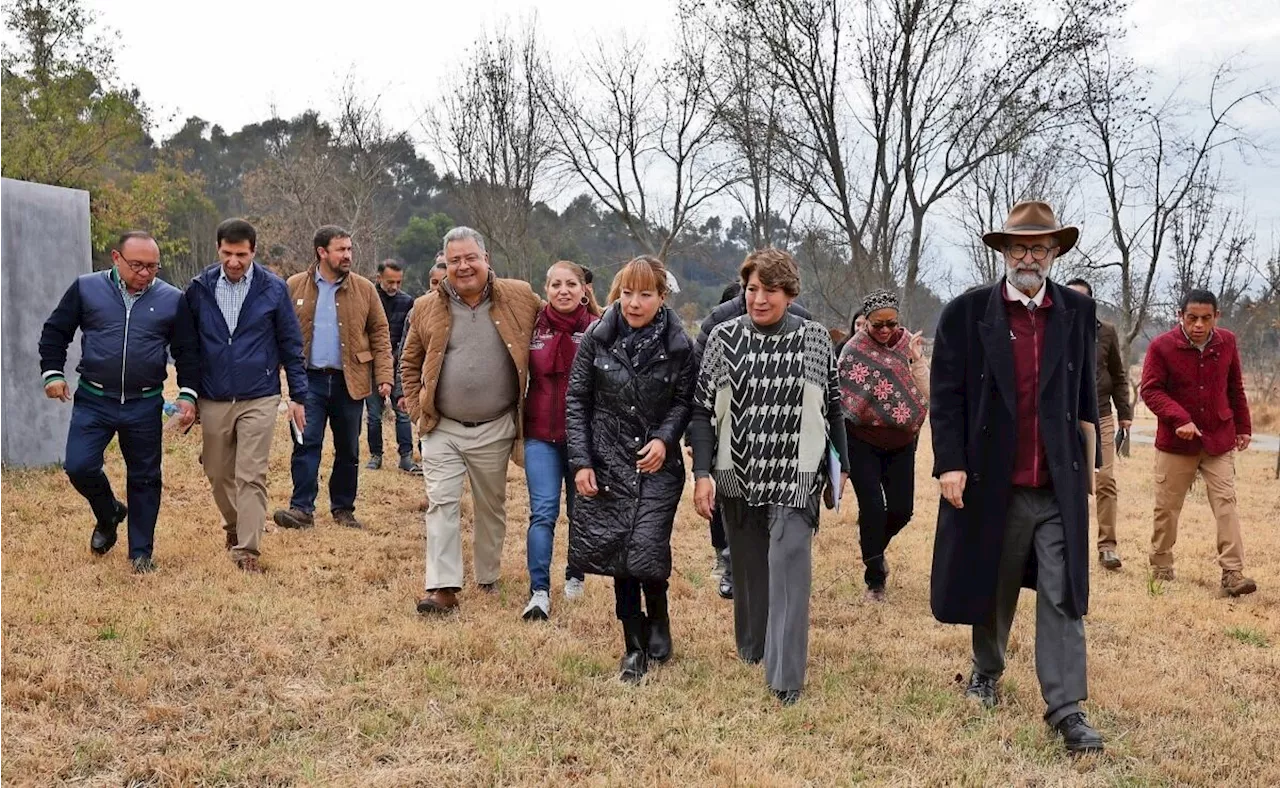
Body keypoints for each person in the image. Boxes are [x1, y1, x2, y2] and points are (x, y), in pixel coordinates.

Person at [930, 200, 1104, 754]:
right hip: (993, 480)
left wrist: (1092, 468)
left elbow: (1083, 399)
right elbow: (946, 396)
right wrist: (950, 462)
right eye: (1019, 247)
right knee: (995, 581)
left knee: (1063, 590)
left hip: (1057, 481)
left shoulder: (1077, 313)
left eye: (1040, 247)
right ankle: (987, 669)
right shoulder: (966, 313)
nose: (1030, 256)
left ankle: (1066, 707)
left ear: (1055, 252)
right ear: (1003, 252)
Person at [689, 248, 849, 706]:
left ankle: (785, 678)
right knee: (750, 571)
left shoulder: (816, 339)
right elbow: (701, 411)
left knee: (790, 571)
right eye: (752, 289)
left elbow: (833, 407)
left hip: (796, 474)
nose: (759, 299)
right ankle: (754, 648)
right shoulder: (723, 338)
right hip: (736, 472)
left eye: (770, 290)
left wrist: (843, 468)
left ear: (790, 293)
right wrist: (702, 472)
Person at [39, 231, 199, 574]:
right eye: (137, 265)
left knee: (144, 478)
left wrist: (187, 393)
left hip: (144, 403)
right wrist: (52, 373)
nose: (144, 273)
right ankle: (108, 511)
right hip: (94, 399)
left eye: (152, 266)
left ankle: (141, 553)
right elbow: (55, 332)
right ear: (116, 258)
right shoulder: (86, 288)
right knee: (78, 466)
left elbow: (187, 352)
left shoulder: (173, 299)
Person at [566, 256, 695, 683]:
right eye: (626, 293)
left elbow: (684, 402)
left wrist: (664, 438)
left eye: (644, 294)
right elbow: (577, 401)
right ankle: (633, 645)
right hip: (607, 460)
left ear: (662, 297)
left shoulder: (680, 346)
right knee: (617, 553)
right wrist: (582, 462)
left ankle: (659, 617)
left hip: (657, 464)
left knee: (645, 548)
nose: (634, 303)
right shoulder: (596, 339)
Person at [401, 227, 541, 615]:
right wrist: (417, 408)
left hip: (497, 426)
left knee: (491, 506)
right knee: (442, 504)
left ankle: (487, 576)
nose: (463, 267)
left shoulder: (520, 296)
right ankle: (443, 589)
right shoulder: (425, 307)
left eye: (470, 258)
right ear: (444, 265)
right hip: (443, 427)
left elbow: (563, 321)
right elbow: (409, 362)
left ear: (486, 258)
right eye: (454, 261)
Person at [183, 219, 309, 572]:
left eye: (241, 254)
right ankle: (235, 523)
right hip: (213, 395)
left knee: (250, 473)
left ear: (254, 251)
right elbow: (188, 348)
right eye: (227, 253)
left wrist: (297, 395)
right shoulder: (199, 288)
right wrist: (189, 395)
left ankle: (248, 549)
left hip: (260, 394)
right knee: (217, 471)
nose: (234, 261)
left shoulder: (273, 288)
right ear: (218, 249)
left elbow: (290, 343)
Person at [693, 280, 813, 601]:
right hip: (729, 430)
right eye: (752, 291)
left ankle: (772, 575)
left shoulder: (803, 321)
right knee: (735, 507)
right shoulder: (718, 324)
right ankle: (731, 562)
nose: (759, 301)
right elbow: (699, 377)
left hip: (781, 435)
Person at [273, 226, 394, 531]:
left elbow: (380, 334)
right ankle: (301, 509)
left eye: (349, 249)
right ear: (321, 252)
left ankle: (343, 508)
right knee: (305, 442)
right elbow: (279, 333)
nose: (348, 255)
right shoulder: (294, 286)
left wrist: (384, 377)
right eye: (341, 249)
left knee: (349, 448)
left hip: (349, 380)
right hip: (307, 381)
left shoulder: (365, 289)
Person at [1140, 289, 1256, 596]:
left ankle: (1232, 573)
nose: (1199, 325)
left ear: (1217, 317)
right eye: (1192, 318)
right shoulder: (1161, 347)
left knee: (1226, 503)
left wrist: (1243, 427)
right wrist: (1180, 418)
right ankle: (1161, 564)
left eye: (1206, 318)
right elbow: (1150, 391)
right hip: (1176, 444)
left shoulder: (1227, 342)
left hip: (1219, 438)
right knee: (1167, 508)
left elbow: (1235, 386)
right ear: (1180, 316)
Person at [520, 261, 603, 620]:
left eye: (571, 284)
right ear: (546, 288)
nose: (563, 291)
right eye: (555, 284)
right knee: (543, 512)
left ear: (585, 288)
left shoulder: (599, 330)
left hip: (584, 438)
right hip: (539, 434)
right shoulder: (532, 326)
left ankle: (575, 574)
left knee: (580, 511)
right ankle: (538, 590)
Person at [837, 288, 928, 603]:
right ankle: (875, 580)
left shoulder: (908, 346)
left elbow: (925, 387)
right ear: (865, 324)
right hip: (862, 441)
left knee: (902, 510)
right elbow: (844, 405)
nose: (886, 330)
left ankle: (873, 549)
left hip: (902, 441)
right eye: (878, 325)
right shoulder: (853, 350)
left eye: (891, 323)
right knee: (873, 508)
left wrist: (917, 360)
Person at [1065, 278, 1133, 570]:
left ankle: (1107, 547)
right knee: (1066, 483)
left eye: (1082, 299)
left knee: (1104, 480)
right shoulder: (1055, 329)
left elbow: (1117, 374)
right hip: (1064, 419)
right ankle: (1065, 545)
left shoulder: (1106, 332)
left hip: (1100, 417)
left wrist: (1125, 412)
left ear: (1090, 303)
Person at [366, 260, 418, 473]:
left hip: (399, 364)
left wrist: (395, 359)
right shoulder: (368, 298)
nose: (394, 287)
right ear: (379, 278)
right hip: (371, 364)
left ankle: (406, 456)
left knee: (403, 411)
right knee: (373, 414)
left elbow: (408, 336)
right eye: (390, 282)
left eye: (398, 282)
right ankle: (375, 455)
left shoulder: (407, 302)